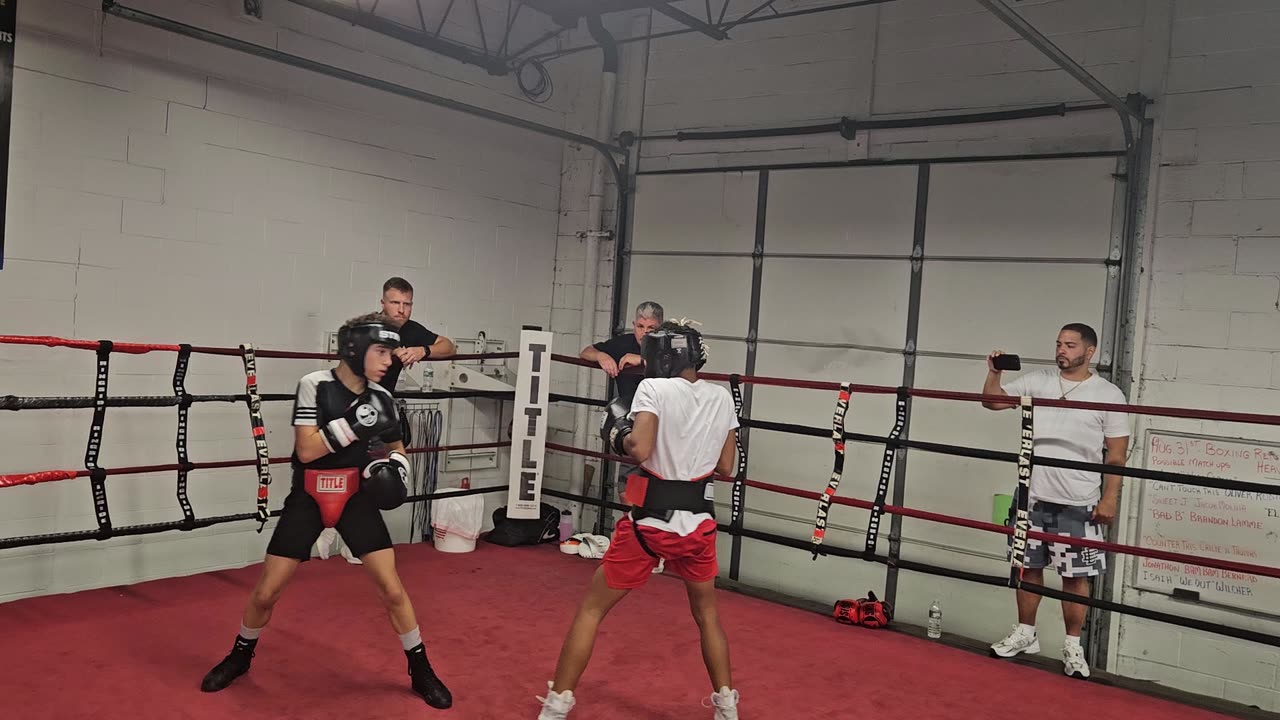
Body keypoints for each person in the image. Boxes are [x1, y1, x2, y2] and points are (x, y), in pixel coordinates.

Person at [199, 313, 453, 709]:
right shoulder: (314, 386)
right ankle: (241, 655)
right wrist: (356, 421)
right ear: (355, 349)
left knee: (392, 589)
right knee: (267, 593)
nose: (390, 360)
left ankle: (421, 668)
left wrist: (396, 471)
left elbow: (397, 447)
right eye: (382, 351)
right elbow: (307, 450)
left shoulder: (383, 397)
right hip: (309, 496)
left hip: (355, 496)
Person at [537, 320, 742, 720]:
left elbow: (641, 449)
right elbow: (727, 466)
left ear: (662, 356)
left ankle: (557, 705)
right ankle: (728, 706)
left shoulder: (654, 388)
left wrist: (619, 433)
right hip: (699, 527)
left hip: (650, 527)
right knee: (708, 616)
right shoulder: (721, 397)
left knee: (591, 610)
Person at [981, 322, 1130, 679]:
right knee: (1027, 567)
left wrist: (1109, 499)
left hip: (1077, 500)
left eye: (1070, 345)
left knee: (1076, 577)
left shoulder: (1109, 395)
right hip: (1031, 495)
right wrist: (994, 372)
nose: (1062, 350)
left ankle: (1072, 646)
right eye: (1059, 344)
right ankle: (1025, 633)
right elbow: (993, 401)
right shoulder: (1039, 380)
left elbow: (1116, 456)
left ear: (1089, 351)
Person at [377, 276, 456, 394]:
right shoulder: (368, 326)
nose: (401, 310)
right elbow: (367, 345)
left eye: (407, 304)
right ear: (383, 304)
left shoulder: (411, 329)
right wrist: (393, 351)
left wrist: (423, 351)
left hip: (381, 400)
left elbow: (449, 347)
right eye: (395, 303)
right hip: (349, 400)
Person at [579, 300, 663, 404]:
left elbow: (678, 367)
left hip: (662, 412)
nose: (644, 332)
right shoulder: (623, 343)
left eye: (651, 328)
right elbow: (585, 352)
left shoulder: (667, 345)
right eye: (640, 326)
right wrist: (600, 356)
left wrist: (641, 360)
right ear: (634, 326)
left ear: (660, 329)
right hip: (629, 412)